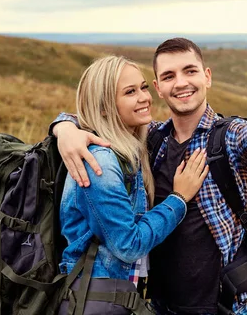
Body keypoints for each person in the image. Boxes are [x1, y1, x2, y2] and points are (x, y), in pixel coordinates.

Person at [51, 38, 247, 315]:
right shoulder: (149, 141)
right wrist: (64, 129)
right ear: (159, 89)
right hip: (154, 303)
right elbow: (97, 114)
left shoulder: (228, 139)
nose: (181, 83)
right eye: (168, 76)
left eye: (189, 71)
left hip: (218, 305)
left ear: (207, 77)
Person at [57, 55, 208, 315]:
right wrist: (179, 199)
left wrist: (62, 126)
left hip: (115, 295)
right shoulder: (100, 162)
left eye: (143, 88)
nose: (144, 98)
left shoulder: (129, 149)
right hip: (94, 299)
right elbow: (128, 245)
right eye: (130, 92)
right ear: (104, 107)